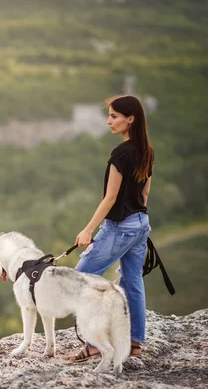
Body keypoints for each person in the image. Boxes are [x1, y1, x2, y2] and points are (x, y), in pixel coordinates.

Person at [69, 94, 154, 362]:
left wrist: (88, 231)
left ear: (131, 119)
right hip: (140, 223)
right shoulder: (147, 151)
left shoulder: (120, 153)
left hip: (119, 227)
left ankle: (96, 344)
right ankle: (135, 343)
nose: (109, 122)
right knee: (133, 282)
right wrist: (138, 224)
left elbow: (110, 198)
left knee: (83, 278)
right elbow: (146, 193)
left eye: (114, 116)